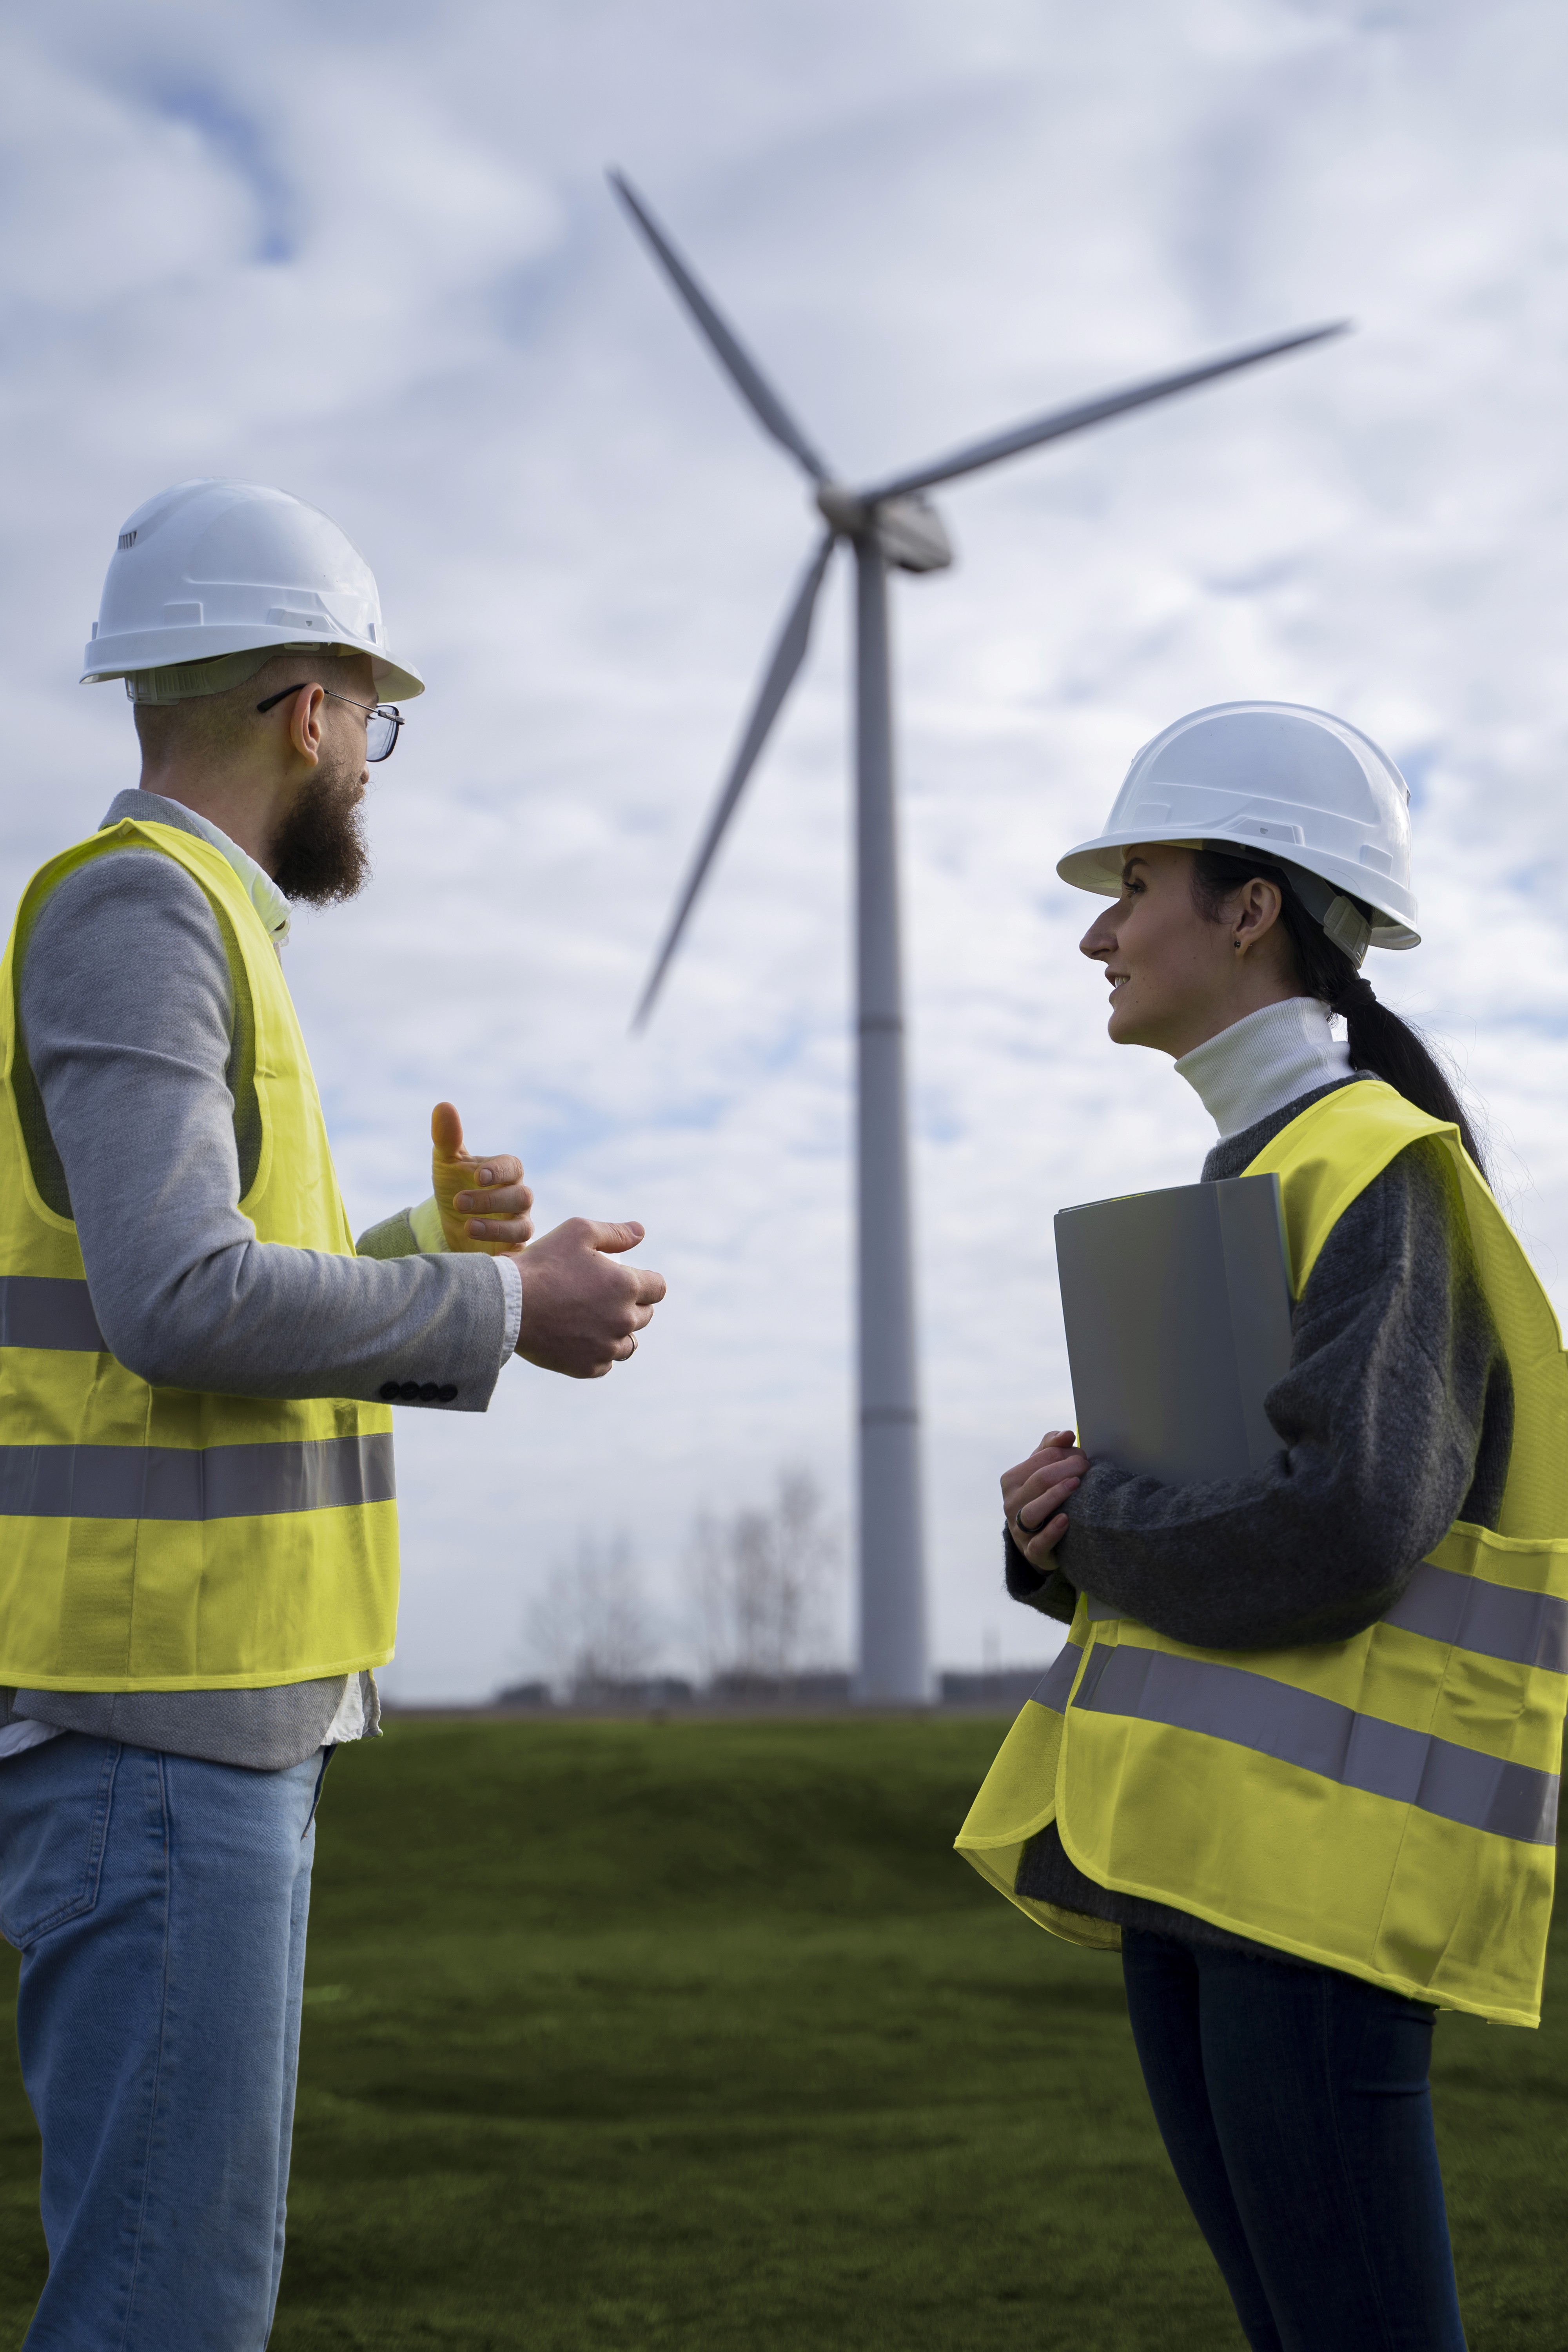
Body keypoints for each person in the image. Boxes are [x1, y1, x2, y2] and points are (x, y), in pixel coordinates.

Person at [0, 478, 666, 2348]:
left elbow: (188, 1273)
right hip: (157, 1735)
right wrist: (503, 1309)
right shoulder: (142, 913)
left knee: (175, 2292)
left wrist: (410, 1248)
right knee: (164, 2310)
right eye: (375, 718)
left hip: (198, 1723)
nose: (373, 758)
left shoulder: (187, 916)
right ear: (309, 712)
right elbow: (175, 1302)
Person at [955, 701, 1568, 2352]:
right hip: (1200, 1874)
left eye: (1133, 879)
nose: (1097, 927)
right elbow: (1228, 1522)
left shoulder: (1381, 1173)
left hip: (1310, 1898)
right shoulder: (1265, 1173)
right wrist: (1059, 1527)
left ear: (1249, 909)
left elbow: (1337, 1529)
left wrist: (1102, 1526)